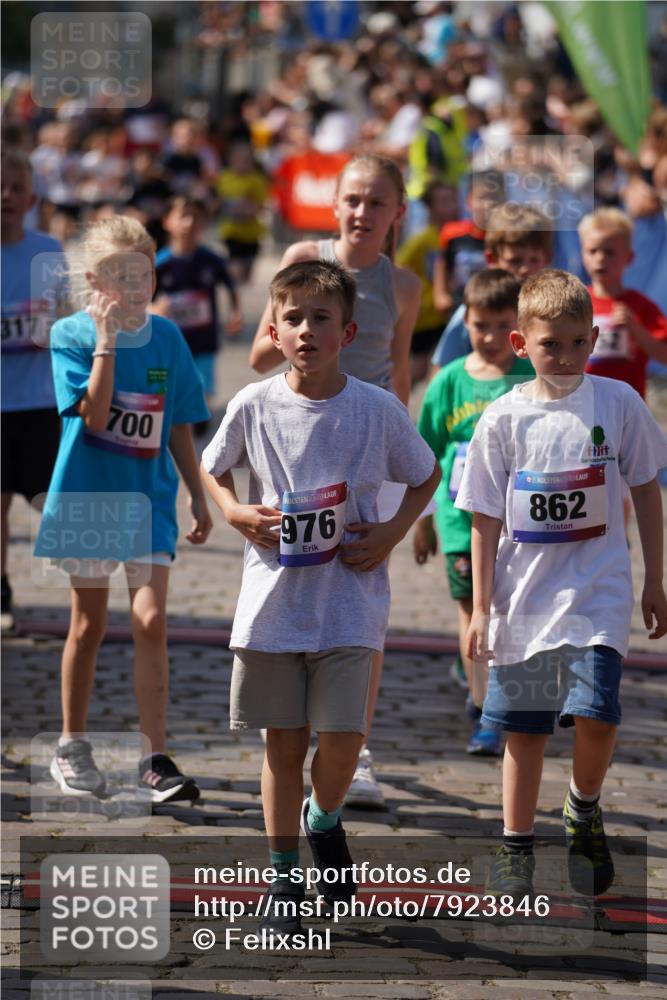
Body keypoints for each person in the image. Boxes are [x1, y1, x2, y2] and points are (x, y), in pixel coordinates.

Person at [201, 260, 439, 934]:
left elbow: (424, 475)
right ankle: (282, 880)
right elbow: (212, 468)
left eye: (321, 318)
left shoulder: (376, 408)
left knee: (341, 740)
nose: (307, 329)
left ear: (348, 330)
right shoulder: (252, 405)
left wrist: (392, 531)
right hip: (274, 606)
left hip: (349, 601)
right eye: (294, 318)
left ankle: (322, 817)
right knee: (282, 747)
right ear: (273, 330)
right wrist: (232, 512)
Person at [456, 269, 667, 899]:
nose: (568, 357)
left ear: (595, 336)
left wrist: (656, 576)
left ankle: (583, 805)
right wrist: (480, 610)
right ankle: (515, 842)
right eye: (552, 345)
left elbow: (647, 490)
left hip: (597, 594)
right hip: (523, 601)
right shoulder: (503, 419)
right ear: (522, 345)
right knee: (525, 730)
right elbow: (484, 519)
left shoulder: (618, 404)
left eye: (580, 342)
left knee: (597, 715)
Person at [248, 153, 423, 809]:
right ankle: (291, 722)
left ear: (396, 214)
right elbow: (264, 350)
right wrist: (295, 332)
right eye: (352, 199)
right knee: (297, 582)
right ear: (334, 205)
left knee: (360, 601)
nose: (361, 212)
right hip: (301, 445)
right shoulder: (301, 255)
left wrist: (407, 484)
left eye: (376, 202)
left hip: (368, 452)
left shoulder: (402, 285)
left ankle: (356, 747)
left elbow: (398, 372)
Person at [34, 215, 213, 804]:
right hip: (89, 497)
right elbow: (93, 413)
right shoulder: (70, 336)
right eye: (119, 276)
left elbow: (181, 424)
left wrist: (197, 491)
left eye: (142, 274)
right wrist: (107, 342)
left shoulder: (167, 337)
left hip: (148, 500)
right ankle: (71, 745)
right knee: (89, 625)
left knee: (150, 620)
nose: (134, 287)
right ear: (94, 279)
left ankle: (153, 758)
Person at [413, 270, 533, 755]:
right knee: (474, 611)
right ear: (465, 320)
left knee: (517, 611)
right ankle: (484, 710)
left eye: (501, 326)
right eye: (479, 325)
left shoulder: (530, 380)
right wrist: (421, 522)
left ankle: (518, 695)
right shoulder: (448, 382)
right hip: (462, 524)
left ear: (520, 327)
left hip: (522, 525)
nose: (488, 337)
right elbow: (422, 455)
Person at [1, 150, 67, 630]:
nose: (6, 196)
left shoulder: (48, 250)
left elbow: (66, 317)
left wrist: (52, 326)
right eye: (0, 187)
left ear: (32, 198)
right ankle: (1, 590)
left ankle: (90, 587)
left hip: (42, 401)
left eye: (15, 188)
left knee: (56, 502)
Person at [153, 197, 242, 434]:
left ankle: (200, 417)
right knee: (170, 383)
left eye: (196, 217)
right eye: (183, 216)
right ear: (167, 222)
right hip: (171, 339)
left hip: (204, 336)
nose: (189, 222)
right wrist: (154, 310)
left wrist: (235, 312)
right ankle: (170, 418)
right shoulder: (159, 263)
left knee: (202, 384)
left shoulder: (211, 259)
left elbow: (231, 286)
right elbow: (144, 300)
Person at [431, 202, 553, 371]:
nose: (526, 269)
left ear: (546, 258)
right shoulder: (477, 309)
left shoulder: (551, 309)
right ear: (491, 259)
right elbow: (443, 369)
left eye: (534, 260)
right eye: (515, 261)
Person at [579, 207, 667, 399]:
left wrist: (636, 330)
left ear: (629, 258)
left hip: (627, 408)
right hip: (583, 404)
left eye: (609, 252)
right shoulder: (575, 302)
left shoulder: (640, 306)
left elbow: (664, 355)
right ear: (582, 254)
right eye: (592, 251)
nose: (600, 258)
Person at [396, 179, 458, 385]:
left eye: (452, 200)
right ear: (430, 207)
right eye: (443, 201)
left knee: (445, 367)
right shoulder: (422, 240)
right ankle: (397, 401)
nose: (450, 206)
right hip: (426, 317)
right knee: (419, 368)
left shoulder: (459, 237)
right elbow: (400, 266)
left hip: (449, 315)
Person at [431, 169, 506, 316]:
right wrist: (440, 294)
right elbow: (442, 263)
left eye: (495, 198)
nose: (488, 204)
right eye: (482, 198)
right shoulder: (452, 232)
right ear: (469, 201)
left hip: (497, 307)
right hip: (460, 307)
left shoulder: (508, 237)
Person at [216, 142, 270, 287]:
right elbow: (218, 200)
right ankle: (235, 292)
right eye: (239, 160)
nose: (243, 164)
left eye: (247, 160)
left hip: (252, 233)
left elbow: (261, 205)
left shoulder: (257, 180)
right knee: (235, 267)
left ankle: (241, 291)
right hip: (232, 231)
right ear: (231, 160)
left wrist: (247, 210)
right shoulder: (224, 177)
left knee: (247, 274)